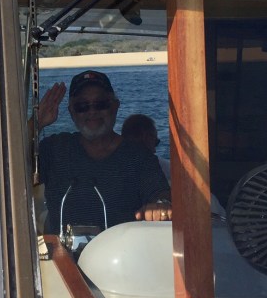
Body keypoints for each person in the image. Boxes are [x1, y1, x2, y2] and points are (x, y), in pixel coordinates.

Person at [35, 70, 171, 234]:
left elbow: (160, 193)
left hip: (122, 250)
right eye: (82, 106)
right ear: (71, 112)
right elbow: (13, 174)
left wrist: (161, 205)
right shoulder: (54, 149)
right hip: (61, 251)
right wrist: (36, 123)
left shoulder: (139, 157)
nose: (92, 112)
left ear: (115, 106)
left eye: (101, 104)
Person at [121, 113, 225, 217]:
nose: (155, 150)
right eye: (156, 142)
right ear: (147, 138)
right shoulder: (175, 177)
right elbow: (219, 215)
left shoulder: (118, 175)